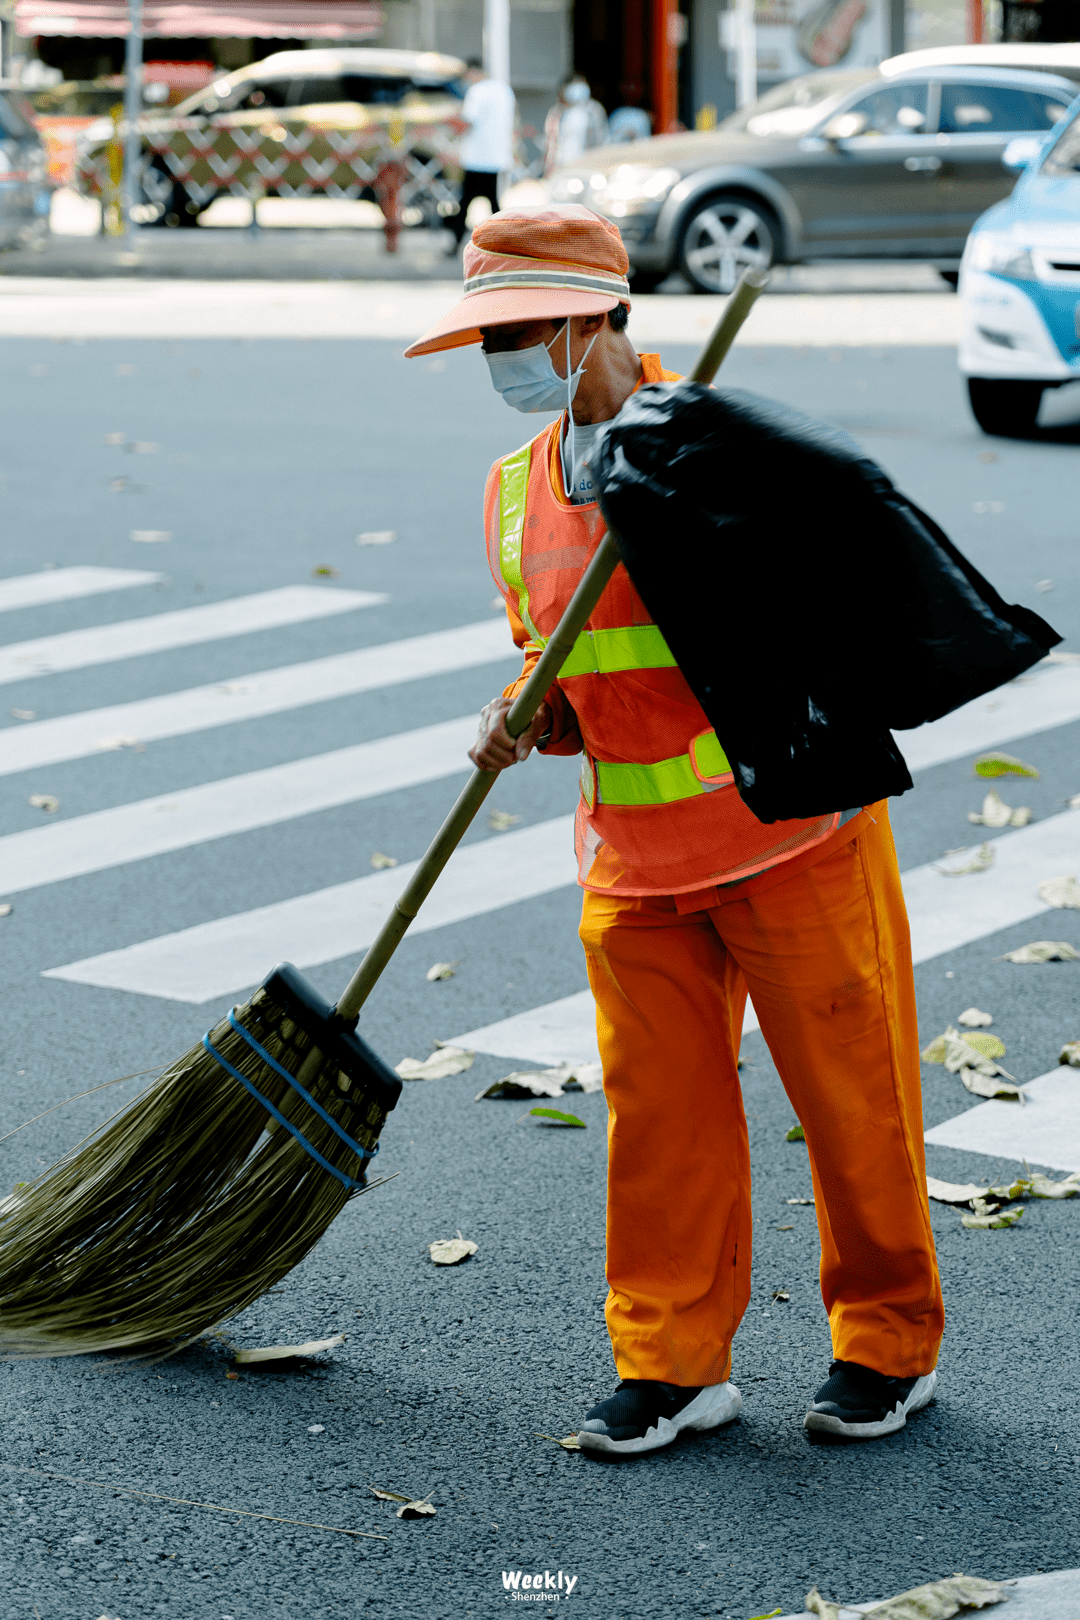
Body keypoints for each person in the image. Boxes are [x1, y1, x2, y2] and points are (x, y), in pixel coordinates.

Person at [403, 204, 944, 1457]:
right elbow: (573, 679)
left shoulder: (719, 447)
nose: (501, 358)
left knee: (854, 1108)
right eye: (485, 334)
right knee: (660, 1125)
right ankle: (673, 1363)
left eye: (520, 329)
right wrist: (521, 718)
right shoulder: (510, 496)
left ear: (597, 314)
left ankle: (885, 1343)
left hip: (791, 835)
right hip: (636, 864)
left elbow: (830, 613)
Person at [448, 58, 516, 251]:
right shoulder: (504, 91)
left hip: (477, 158)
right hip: (497, 158)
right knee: (493, 203)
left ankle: (455, 242)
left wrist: (450, 124)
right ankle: (506, 243)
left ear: (472, 72)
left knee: (465, 203)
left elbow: (467, 121)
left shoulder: (476, 92)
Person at [543, 75, 609, 174]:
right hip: (561, 167)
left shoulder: (594, 110)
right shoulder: (556, 112)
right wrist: (549, 171)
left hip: (586, 168)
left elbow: (601, 142)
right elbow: (550, 144)